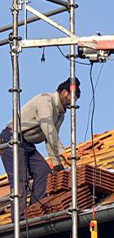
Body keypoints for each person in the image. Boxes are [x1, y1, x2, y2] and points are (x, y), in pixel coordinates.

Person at [0, 77, 81, 220]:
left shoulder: (60, 115)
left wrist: (57, 166)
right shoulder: (45, 101)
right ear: (63, 92)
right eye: (72, 97)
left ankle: (33, 211)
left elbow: (49, 140)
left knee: (44, 172)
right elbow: (48, 129)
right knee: (20, 179)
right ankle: (19, 219)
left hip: (27, 145)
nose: (72, 102)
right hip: (12, 138)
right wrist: (64, 153)